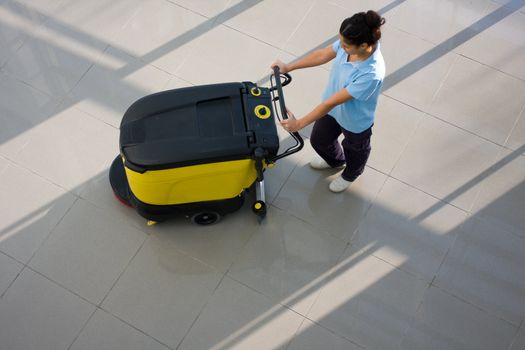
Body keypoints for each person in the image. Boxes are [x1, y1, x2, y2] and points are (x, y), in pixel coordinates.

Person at [271, 10, 386, 192]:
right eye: (340, 41)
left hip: (355, 121)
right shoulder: (348, 43)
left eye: (345, 45)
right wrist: (289, 67)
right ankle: (336, 161)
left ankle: (350, 174)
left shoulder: (371, 73)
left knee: (355, 151)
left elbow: (331, 102)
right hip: (332, 112)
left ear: (364, 45)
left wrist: (299, 124)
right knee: (319, 140)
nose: (341, 46)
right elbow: (323, 54)